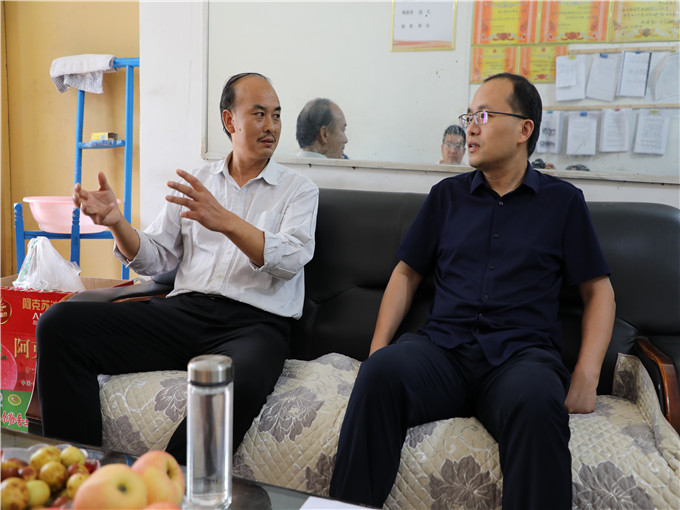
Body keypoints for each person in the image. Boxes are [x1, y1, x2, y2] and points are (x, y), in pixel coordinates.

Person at [329, 73, 615, 509]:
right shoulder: (447, 196)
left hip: (521, 358)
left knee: (539, 404)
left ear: (524, 129)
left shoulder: (563, 202)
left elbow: (599, 293)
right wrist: (377, 349)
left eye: (484, 115)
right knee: (379, 375)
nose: (471, 129)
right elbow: (405, 275)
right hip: (442, 352)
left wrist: (586, 376)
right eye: (469, 117)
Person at [35, 72, 319, 463]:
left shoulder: (299, 190)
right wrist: (117, 223)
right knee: (59, 324)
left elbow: (291, 260)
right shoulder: (197, 182)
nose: (271, 126)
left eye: (276, 115)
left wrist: (226, 221)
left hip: (255, 325)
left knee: (229, 386)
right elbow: (155, 257)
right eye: (259, 114)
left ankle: (169, 484)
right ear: (229, 120)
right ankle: (81, 471)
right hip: (184, 312)